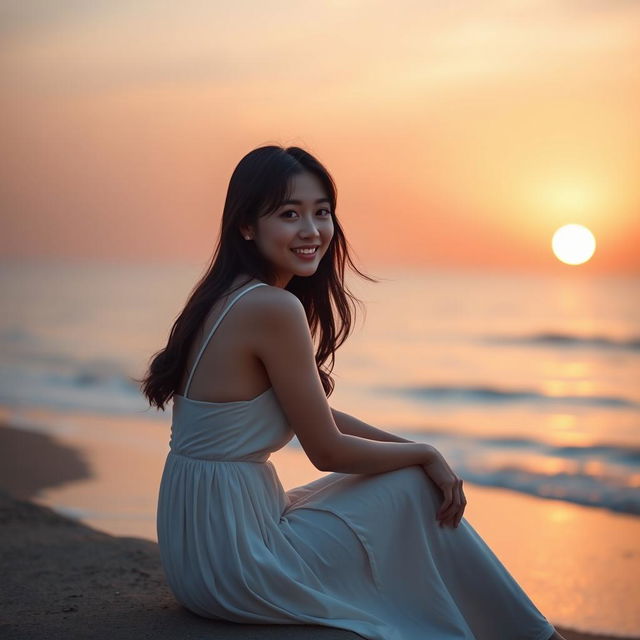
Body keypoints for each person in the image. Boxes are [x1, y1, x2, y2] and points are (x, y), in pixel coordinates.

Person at [141, 145, 565, 640]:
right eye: (289, 214)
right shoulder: (273, 307)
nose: (311, 230)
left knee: (408, 478)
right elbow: (326, 451)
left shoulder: (228, 294)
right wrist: (423, 454)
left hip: (201, 548)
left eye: (322, 213)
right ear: (246, 225)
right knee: (411, 488)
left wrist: (416, 453)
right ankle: (532, 636)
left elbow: (317, 413)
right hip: (240, 562)